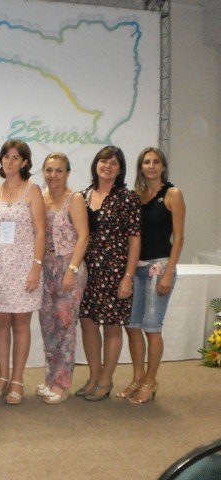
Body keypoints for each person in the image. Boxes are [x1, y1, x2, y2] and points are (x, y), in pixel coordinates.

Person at [0, 139, 45, 405]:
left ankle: (17, 379)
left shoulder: (33, 190)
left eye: (16, 157)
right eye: (6, 156)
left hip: (24, 265)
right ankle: (2, 377)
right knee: (1, 323)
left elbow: (41, 232)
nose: (9, 161)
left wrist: (36, 268)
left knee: (20, 324)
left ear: (25, 162)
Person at [118, 147, 185, 404]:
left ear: (163, 166)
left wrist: (168, 273)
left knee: (152, 328)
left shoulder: (173, 194)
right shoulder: (138, 196)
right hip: (136, 268)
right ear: (141, 167)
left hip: (160, 267)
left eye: (156, 162)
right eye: (146, 162)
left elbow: (179, 237)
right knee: (132, 326)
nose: (151, 166)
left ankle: (151, 380)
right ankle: (137, 377)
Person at [78, 145, 141, 401]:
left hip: (115, 270)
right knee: (88, 323)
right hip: (87, 270)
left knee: (112, 326)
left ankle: (106, 379)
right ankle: (94, 375)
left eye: (113, 163)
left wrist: (128, 276)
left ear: (120, 169)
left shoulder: (127, 198)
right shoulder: (82, 196)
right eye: (104, 161)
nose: (107, 166)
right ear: (96, 164)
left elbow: (134, 240)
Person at [37, 152, 88, 404]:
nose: (53, 175)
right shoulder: (41, 198)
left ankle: (62, 383)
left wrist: (72, 269)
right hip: (45, 266)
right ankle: (50, 378)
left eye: (59, 170)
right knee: (48, 325)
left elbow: (83, 236)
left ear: (67, 173)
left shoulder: (74, 198)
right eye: (49, 170)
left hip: (68, 265)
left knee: (66, 326)